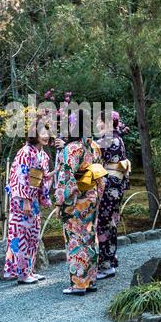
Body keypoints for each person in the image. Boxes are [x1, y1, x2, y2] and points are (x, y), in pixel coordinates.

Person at [54, 110, 106, 295]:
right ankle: (90, 280)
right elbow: (101, 175)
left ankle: (79, 284)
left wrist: (60, 201)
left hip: (75, 201)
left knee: (75, 240)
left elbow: (65, 178)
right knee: (90, 237)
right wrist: (97, 197)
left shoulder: (72, 148)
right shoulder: (93, 147)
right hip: (91, 198)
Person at [4, 118, 53, 284]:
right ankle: (21, 273)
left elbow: (43, 178)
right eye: (42, 133)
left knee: (33, 234)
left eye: (47, 132)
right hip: (23, 199)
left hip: (33, 199)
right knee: (21, 234)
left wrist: (57, 171)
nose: (46, 136)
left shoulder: (42, 155)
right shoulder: (26, 152)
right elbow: (21, 176)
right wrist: (25, 200)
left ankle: (29, 270)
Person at [96, 110, 131, 280]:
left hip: (109, 186)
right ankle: (110, 260)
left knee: (103, 223)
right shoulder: (118, 138)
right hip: (116, 186)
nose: (97, 125)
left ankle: (105, 264)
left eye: (99, 122)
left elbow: (90, 152)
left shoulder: (108, 139)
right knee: (111, 223)